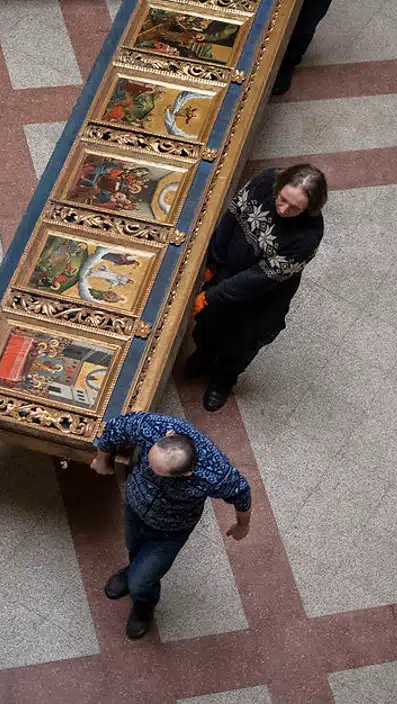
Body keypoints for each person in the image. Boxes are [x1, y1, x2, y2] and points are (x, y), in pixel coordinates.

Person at [91, 412, 252, 639]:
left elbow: (241, 492)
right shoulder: (155, 427)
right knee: (133, 546)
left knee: (142, 582)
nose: (147, 465)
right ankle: (130, 572)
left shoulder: (214, 474)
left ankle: (143, 606)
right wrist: (101, 459)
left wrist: (242, 525)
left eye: (156, 470)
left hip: (170, 530)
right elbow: (115, 428)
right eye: (149, 459)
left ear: (186, 473)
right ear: (168, 435)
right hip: (135, 507)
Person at [187, 164, 327, 411]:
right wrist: (214, 262)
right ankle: (204, 354)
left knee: (241, 344)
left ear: (309, 209)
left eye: (294, 208)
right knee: (208, 325)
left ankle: (222, 381)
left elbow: (261, 277)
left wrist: (213, 295)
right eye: (282, 199)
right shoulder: (265, 181)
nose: (283, 209)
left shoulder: (308, 236)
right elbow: (232, 216)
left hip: (262, 300)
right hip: (227, 271)